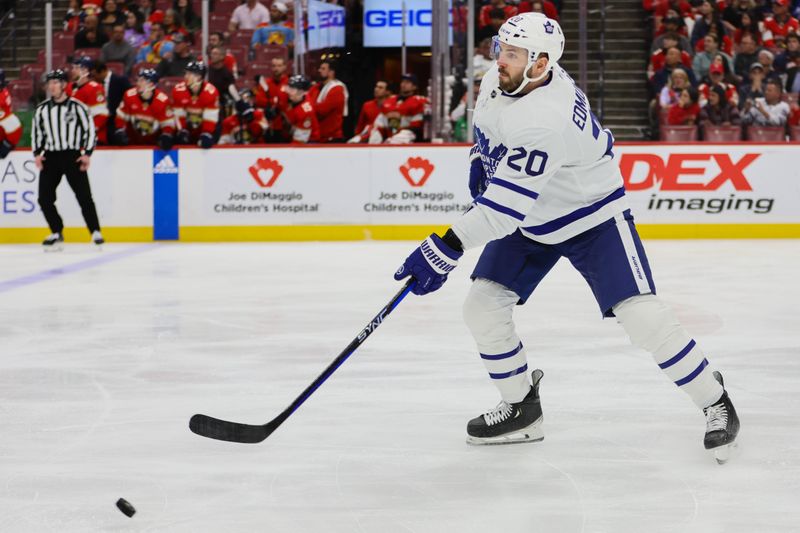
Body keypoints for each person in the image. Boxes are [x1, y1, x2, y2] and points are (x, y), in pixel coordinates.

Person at [392, 13, 740, 462]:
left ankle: (715, 400)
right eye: (500, 48)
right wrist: (481, 160)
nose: (499, 59)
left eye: (512, 54)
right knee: (481, 306)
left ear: (540, 65)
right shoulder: (501, 80)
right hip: (532, 215)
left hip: (591, 217)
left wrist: (445, 246)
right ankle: (521, 405)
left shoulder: (545, 117)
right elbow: (490, 140)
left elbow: (500, 212)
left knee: (642, 317)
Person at [32, 70, 104, 250]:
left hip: (72, 155)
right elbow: (37, 133)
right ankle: (57, 231)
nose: (52, 86)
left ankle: (95, 231)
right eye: (50, 83)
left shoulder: (77, 107)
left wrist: (87, 153)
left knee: (84, 196)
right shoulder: (42, 109)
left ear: (64, 85)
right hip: (51, 156)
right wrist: (37, 154)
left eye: (56, 82)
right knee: (44, 198)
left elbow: (90, 130)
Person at [114, 68, 176, 149]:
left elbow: (168, 124)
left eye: (142, 80)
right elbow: (121, 117)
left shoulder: (163, 100)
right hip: (132, 144)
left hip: (154, 145)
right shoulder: (129, 95)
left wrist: (166, 135)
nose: (138, 83)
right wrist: (120, 130)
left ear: (151, 85)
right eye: (138, 80)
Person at [171, 61, 220, 148]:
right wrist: (182, 130)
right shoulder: (178, 90)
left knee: (207, 141)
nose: (186, 76)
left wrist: (206, 133)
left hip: (205, 125)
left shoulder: (211, 92)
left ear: (199, 77)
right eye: (186, 73)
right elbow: (178, 114)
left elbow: (211, 117)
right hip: (188, 126)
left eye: (189, 74)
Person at [369, 73, 428, 144]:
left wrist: (394, 139)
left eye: (407, 82)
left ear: (414, 87)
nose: (403, 84)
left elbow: (416, 128)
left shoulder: (419, 101)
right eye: (402, 81)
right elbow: (379, 125)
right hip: (389, 139)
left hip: (408, 143)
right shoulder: (390, 101)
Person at [67, 56, 110, 145]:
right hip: (73, 138)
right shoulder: (69, 87)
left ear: (86, 71)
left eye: (76, 68)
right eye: (73, 68)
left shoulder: (95, 88)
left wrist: (86, 132)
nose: (72, 71)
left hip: (94, 139)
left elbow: (102, 115)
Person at [92, 59, 132, 142]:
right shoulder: (95, 85)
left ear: (102, 71)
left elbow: (130, 97)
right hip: (102, 121)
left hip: (116, 121)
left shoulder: (120, 80)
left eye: (95, 75)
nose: (94, 78)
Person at [308, 59, 348, 143]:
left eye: (323, 69)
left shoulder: (337, 89)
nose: (319, 70)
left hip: (332, 137)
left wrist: (308, 108)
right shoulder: (316, 87)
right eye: (319, 68)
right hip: (318, 136)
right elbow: (306, 102)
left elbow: (322, 110)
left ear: (331, 72)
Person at [280, 74, 319, 143]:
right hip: (295, 132)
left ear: (302, 92)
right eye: (289, 88)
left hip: (309, 142)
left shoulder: (306, 112)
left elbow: (299, 142)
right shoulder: (294, 98)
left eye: (292, 89)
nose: (288, 92)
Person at [0, 69, 23, 160]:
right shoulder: (3, 92)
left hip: (5, 138)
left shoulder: (2, 100)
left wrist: (7, 144)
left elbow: (14, 127)